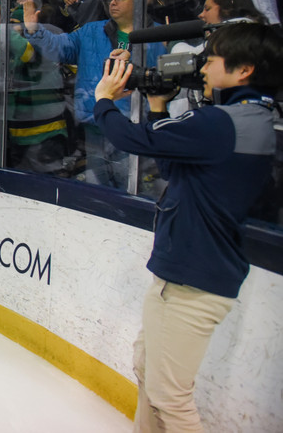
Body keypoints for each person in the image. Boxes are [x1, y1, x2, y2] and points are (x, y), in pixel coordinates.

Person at [93, 23, 283, 432]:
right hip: (186, 274)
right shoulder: (250, 119)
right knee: (149, 371)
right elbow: (172, 167)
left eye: (211, 58)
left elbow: (131, 139)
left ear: (244, 69)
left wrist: (104, 100)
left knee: (170, 400)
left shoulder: (222, 123)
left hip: (194, 282)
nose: (202, 66)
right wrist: (159, 105)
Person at [23, 0, 166, 190]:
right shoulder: (91, 31)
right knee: (99, 187)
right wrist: (35, 31)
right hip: (96, 121)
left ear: (138, 1)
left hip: (135, 127)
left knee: (133, 187)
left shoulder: (159, 36)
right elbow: (60, 48)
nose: (113, 3)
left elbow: (163, 81)